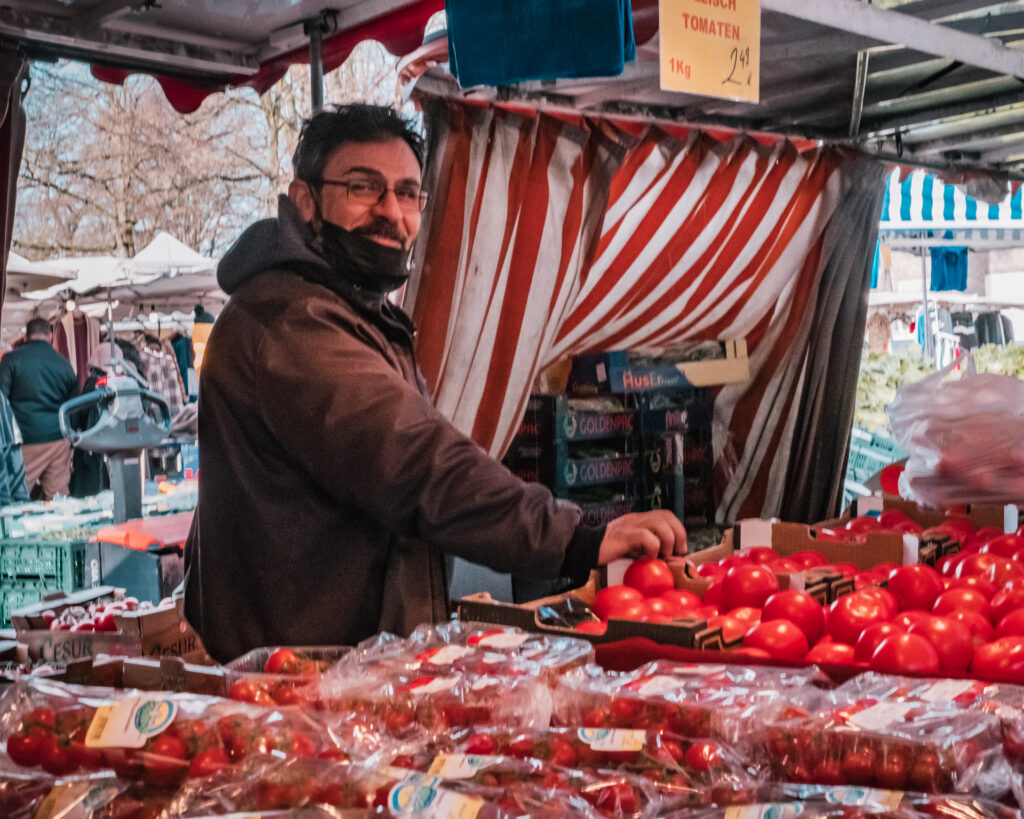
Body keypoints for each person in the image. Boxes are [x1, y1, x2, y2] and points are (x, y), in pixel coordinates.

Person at [183, 104, 687, 663]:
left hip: (344, 667)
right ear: (304, 202)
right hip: (297, 678)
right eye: (363, 188)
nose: (391, 213)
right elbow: (415, 460)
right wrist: (578, 538)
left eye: (407, 194)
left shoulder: (352, 313)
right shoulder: (290, 320)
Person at [0, 317, 78, 499]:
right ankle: (61, 528)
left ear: (26, 336)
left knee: (14, 495)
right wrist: (71, 441)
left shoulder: (11, 360)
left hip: (25, 440)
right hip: (59, 440)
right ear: (50, 336)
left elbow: (2, 400)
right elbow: (72, 407)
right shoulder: (64, 364)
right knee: (58, 498)